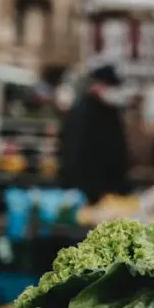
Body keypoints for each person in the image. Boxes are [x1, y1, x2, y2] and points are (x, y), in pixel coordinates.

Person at [58, 63, 131, 204]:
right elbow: (72, 153)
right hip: (88, 192)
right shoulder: (82, 113)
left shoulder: (112, 112)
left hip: (110, 192)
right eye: (111, 86)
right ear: (97, 86)